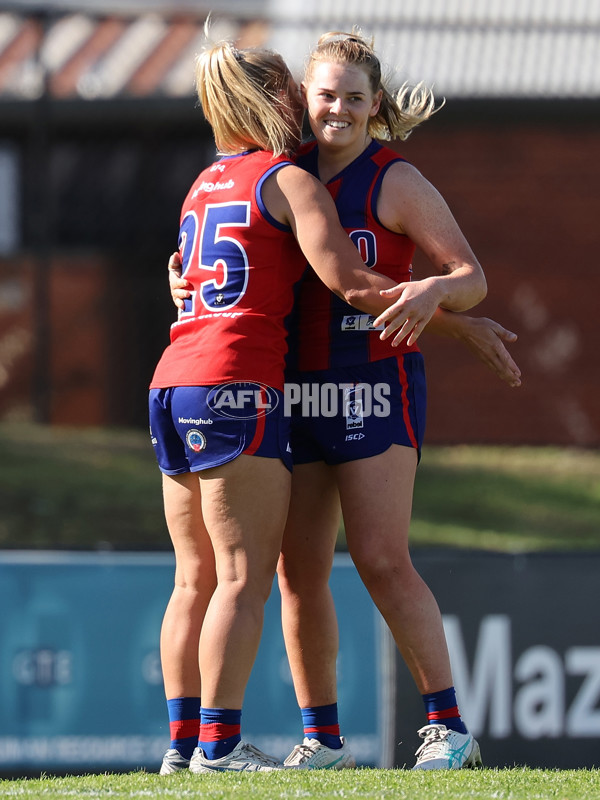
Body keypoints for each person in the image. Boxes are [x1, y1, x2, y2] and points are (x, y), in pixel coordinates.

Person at [166, 30, 519, 773]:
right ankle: (322, 740)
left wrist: (442, 299)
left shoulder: (395, 179)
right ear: (302, 98)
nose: (338, 109)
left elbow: (471, 276)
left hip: (373, 386)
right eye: (325, 95)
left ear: (374, 104)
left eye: (354, 98)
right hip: (288, 390)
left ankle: (448, 727)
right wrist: (181, 280)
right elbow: (254, 268)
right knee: (296, 574)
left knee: (382, 559)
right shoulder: (284, 169)